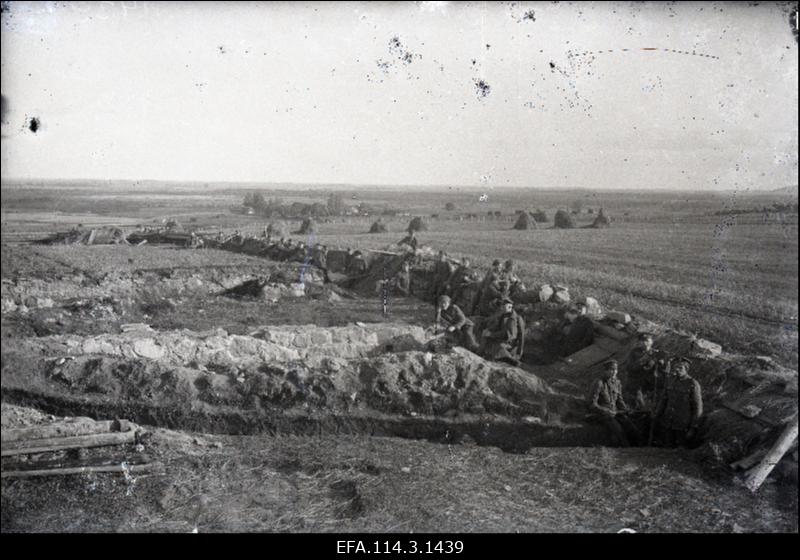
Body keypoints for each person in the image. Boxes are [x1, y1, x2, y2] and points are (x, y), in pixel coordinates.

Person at [588, 360, 641, 447]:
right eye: (611, 369)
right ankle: (626, 449)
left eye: (616, 370)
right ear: (605, 371)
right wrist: (605, 411)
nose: (614, 372)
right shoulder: (599, 383)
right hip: (602, 415)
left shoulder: (617, 383)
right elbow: (591, 404)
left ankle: (639, 448)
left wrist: (626, 410)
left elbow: (619, 401)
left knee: (631, 427)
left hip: (615, 413)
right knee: (618, 430)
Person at [653, 357, 703, 447]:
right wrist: (657, 415)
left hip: (683, 425)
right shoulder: (670, 381)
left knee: (680, 448)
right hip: (668, 422)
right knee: (667, 448)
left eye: (680, 368)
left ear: (686, 369)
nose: (677, 370)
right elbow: (663, 401)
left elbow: (697, 408)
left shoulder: (692, 384)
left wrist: (693, 427)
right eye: (676, 367)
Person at [624, 333, 669, 410]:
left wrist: (662, 363)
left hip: (649, 383)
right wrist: (645, 358)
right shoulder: (634, 353)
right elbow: (630, 367)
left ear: (651, 342)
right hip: (636, 383)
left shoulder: (655, 353)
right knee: (638, 405)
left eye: (647, 341)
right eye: (642, 341)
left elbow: (662, 371)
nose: (645, 343)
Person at [481, 297, 525, 365]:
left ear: (510, 306)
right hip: (502, 340)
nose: (502, 308)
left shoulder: (518, 318)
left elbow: (521, 337)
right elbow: (497, 327)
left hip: (511, 344)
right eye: (502, 306)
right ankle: (481, 353)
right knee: (487, 339)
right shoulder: (503, 316)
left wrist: (519, 353)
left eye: (504, 306)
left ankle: (511, 359)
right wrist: (488, 330)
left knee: (498, 347)